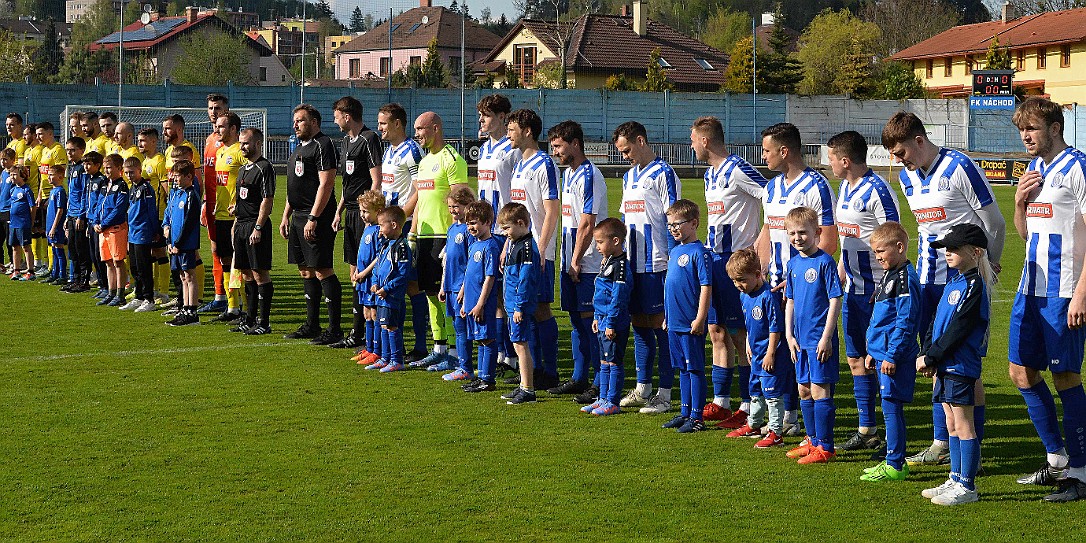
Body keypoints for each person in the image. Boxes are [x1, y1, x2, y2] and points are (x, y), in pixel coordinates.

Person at [881, 111, 1005, 467]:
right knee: (935, 359)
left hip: (965, 280)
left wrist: (989, 267)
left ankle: (972, 450)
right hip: (929, 281)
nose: (898, 160)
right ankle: (942, 441)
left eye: (902, 152)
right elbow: (923, 230)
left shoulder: (959, 167)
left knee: (965, 365)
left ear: (919, 141)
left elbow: (994, 222)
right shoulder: (908, 177)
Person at [1008, 97, 1086, 502]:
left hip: (1063, 291)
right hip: (1029, 289)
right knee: (1020, 372)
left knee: (1065, 377)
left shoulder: (1078, 167)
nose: (1026, 136)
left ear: (1055, 128)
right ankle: (1056, 460)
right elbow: (1026, 235)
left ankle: (1081, 472)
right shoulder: (1034, 170)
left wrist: (1081, 295)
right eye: (1022, 129)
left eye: (1033, 128)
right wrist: (1020, 204)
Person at [756, 122, 837, 435]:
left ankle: (804, 425)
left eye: (766, 150)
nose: (763, 156)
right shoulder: (772, 187)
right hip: (775, 284)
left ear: (784, 151)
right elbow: (767, 230)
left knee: (801, 351)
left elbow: (828, 239)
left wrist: (803, 280)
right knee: (778, 351)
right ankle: (787, 416)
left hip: (802, 288)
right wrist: (761, 272)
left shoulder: (816, 186)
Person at [827, 130, 901, 453]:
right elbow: (847, 240)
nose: (827, 163)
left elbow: (894, 237)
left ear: (845, 161)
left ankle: (890, 431)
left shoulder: (878, 191)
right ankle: (866, 428)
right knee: (855, 358)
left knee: (882, 361)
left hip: (875, 292)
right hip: (852, 290)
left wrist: (886, 287)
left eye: (830, 158)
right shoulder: (844, 188)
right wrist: (840, 276)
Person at [692, 115, 767, 428]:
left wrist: (759, 243)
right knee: (716, 331)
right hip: (715, 259)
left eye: (694, 140)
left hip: (736, 262)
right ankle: (721, 401)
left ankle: (749, 405)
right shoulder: (711, 175)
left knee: (741, 337)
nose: (692, 145)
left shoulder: (737, 168)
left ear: (706, 140)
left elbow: (771, 198)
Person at [917, 223, 994, 506]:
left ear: (975, 252)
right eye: (945, 249)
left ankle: (968, 486)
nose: (947, 253)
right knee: (950, 422)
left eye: (953, 249)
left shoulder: (974, 285)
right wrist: (926, 351)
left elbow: (960, 328)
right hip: (944, 365)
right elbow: (936, 324)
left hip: (960, 365)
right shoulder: (953, 282)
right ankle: (955, 477)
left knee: (964, 425)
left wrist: (933, 356)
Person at [614, 121, 679, 415]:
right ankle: (643, 388)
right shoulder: (628, 177)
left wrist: (674, 263)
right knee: (639, 324)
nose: (625, 156)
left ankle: (665, 393)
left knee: (661, 326)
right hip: (632, 264)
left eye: (627, 150)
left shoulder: (664, 173)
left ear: (641, 140)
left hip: (657, 263)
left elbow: (673, 219)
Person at [549, 120, 608, 398]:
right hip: (570, 261)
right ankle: (579, 376)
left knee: (589, 321)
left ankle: (599, 381)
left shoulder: (589, 175)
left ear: (575, 144)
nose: (556, 152)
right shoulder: (568, 175)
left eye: (559, 146)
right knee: (575, 320)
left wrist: (575, 260)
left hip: (588, 263)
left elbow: (587, 223)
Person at [860, 221, 920, 482]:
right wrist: (873, 351)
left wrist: (892, 355)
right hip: (883, 353)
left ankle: (895, 463)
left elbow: (905, 322)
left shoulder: (905, 279)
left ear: (900, 247)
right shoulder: (891, 275)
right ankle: (894, 461)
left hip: (894, 357)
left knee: (892, 409)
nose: (878, 257)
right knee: (888, 408)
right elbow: (882, 319)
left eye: (881, 252)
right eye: (875, 253)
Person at [783, 206, 843, 465]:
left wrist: (826, 337)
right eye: (793, 233)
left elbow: (835, 300)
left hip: (819, 340)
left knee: (820, 390)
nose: (798, 238)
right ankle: (812, 440)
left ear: (817, 232)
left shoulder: (825, 262)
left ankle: (826, 446)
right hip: (799, 340)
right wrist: (788, 334)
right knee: (803, 390)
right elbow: (791, 301)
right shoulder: (793, 263)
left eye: (803, 233)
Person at [506, 109, 561, 389]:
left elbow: (552, 211)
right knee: (524, 307)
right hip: (517, 248)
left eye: (512, 129)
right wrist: (507, 244)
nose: (508, 134)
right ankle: (534, 368)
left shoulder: (544, 164)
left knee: (540, 308)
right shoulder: (519, 164)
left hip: (538, 250)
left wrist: (540, 249)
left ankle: (549, 371)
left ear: (528, 131)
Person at [279, 104, 343, 345]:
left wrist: (314, 218)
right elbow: (293, 187)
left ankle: (334, 328)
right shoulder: (298, 149)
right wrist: (286, 215)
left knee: (322, 269)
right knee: (305, 270)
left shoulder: (323, 145)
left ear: (315, 122)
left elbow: (326, 185)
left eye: (301, 120)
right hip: (297, 217)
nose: (296, 125)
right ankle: (312, 324)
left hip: (316, 217)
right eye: (295, 121)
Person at [410, 111, 466, 367]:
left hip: (444, 236)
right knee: (430, 293)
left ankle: (455, 353)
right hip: (424, 235)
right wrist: (412, 232)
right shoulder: (423, 162)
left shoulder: (452, 159)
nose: (417, 134)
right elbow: (420, 201)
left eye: (420, 129)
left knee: (446, 295)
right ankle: (439, 347)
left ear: (435, 128)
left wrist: (457, 236)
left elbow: (461, 201)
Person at [376, 103, 429, 362]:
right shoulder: (389, 152)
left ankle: (421, 346)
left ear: (398, 124)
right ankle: (395, 344)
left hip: (404, 226)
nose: (380, 128)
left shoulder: (412, 150)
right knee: (395, 284)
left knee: (412, 285)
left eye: (384, 123)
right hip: (390, 228)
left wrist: (401, 219)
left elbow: (420, 190)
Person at [726, 247, 794, 448]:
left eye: (742, 280)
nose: (738, 285)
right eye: (734, 281)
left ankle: (776, 432)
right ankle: (754, 424)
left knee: (772, 395)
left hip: (770, 355)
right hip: (755, 354)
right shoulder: (744, 295)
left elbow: (775, 329)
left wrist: (771, 353)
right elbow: (749, 324)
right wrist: (748, 342)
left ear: (757, 275)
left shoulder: (768, 296)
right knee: (755, 390)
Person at [476, 94, 521, 380]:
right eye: (481, 115)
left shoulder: (512, 150)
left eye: (488, 115)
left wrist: (509, 234)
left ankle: (515, 357)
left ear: (504, 118)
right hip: (485, 232)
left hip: (503, 232)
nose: (482, 120)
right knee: (493, 297)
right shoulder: (483, 150)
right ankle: (504, 353)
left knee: (506, 297)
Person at [660, 199, 713, 433]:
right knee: (681, 367)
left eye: (677, 224)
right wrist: (666, 317)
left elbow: (705, 286)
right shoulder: (675, 251)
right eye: (670, 224)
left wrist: (701, 317)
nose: (673, 229)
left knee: (694, 368)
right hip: (674, 321)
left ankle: (697, 416)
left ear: (693, 223)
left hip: (690, 322)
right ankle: (684, 412)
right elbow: (670, 287)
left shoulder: (699, 253)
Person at [581, 218, 632, 415]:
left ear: (616, 241)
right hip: (602, 320)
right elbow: (600, 293)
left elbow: (617, 298)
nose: (597, 246)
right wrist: (597, 316)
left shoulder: (620, 267)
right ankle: (602, 398)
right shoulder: (608, 262)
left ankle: (613, 401)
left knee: (613, 361)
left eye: (600, 242)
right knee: (603, 362)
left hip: (613, 322)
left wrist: (610, 322)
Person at [331, 96, 382, 282]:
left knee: (366, 261)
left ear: (347, 117)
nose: (335, 121)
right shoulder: (345, 142)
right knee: (352, 262)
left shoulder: (369, 139)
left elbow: (377, 180)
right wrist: (338, 212)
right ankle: (358, 308)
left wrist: (370, 213)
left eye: (336, 117)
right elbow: (348, 183)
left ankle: (369, 308)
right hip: (350, 212)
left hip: (364, 213)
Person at [231, 128, 276, 336]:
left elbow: (267, 200)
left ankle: (264, 322)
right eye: (241, 143)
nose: (242, 147)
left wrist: (258, 226)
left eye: (246, 143)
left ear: (258, 144)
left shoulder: (264, 167)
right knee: (246, 273)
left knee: (259, 273)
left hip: (255, 227)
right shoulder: (243, 169)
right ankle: (249, 318)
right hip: (241, 225)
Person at [459, 200, 504, 393]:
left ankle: (488, 379)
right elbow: (470, 274)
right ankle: (481, 376)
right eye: (469, 223)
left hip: (482, 303)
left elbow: (489, 277)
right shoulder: (474, 245)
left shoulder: (491, 246)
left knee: (487, 339)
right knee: (479, 339)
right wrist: (463, 297)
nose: (471, 227)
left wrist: (479, 304)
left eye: (475, 223)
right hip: (471, 302)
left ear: (488, 223)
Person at [499, 202, 541, 405]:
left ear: (521, 223)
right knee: (518, 344)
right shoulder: (517, 243)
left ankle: (528, 389)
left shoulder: (526, 248)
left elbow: (525, 280)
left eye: (507, 228)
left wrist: (519, 307)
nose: (504, 232)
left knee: (521, 345)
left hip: (518, 306)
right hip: (512, 304)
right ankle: (524, 384)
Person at [210, 112, 246, 323]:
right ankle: (231, 306)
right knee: (224, 259)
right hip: (221, 215)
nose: (217, 130)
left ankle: (243, 306)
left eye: (222, 126)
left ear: (233, 129)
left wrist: (241, 205)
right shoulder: (221, 152)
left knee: (238, 262)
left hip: (237, 217)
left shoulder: (240, 152)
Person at [438, 185, 476, 381]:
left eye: (457, 207)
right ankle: (463, 366)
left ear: (468, 206)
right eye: (451, 207)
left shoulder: (469, 231)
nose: (453, 210)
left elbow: (470, 262)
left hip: (461, 287)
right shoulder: (452, 229)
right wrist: (443, 285)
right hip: (450, 286)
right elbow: (447, 261)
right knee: (456, 325)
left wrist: (463, 288)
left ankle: (466, 368)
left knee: (462, 328)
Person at [368, 205, 412, 373]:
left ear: (393, 225)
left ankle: (396, 360)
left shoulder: (401, 247)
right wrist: (374, 283)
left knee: (391, 326)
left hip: (391, 296)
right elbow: (377, 267)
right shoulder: (385, 245)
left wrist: (387, 288)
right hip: (381, 294)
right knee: (383, 324)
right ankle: (385, 358)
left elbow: (402, 274)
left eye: (381, 225)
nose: (379, 229)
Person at [199, 93, 229, 315]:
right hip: (210, 204)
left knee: (229, 252)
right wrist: (204, 201)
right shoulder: (209, 140)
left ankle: (233, 300)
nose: (213, 111)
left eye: (217, 108)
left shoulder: (233, 142)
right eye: (210, 108)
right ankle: (219, 295)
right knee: (215, 249)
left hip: (227, 206)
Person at [163, 160, 203, 326]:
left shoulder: (191, 195)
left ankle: (192, 311)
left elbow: (189, 222)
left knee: (189, 274)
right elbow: (168, 214)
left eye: (179, 176)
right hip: (174, 243)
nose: (175, 179)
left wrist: (178, 242)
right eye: (174, 175)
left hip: (186, 243)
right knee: (181, 275)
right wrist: (166, 229)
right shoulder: (175, 193)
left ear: (189, 177)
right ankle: (185, 308)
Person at [122, 156, 161, 312]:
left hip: (143, 231)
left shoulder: (146, 188)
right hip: (132, 231)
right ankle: (138, 296)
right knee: (135, 267)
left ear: (139, 170)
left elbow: (151, 211)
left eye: (132, 172)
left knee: (144, 267)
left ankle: (149, 298)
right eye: (127, 173)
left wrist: (154, 230)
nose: (129, 176)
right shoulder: (132, 188)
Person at [350, 191, 385, 363]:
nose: (362, 215)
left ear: (378, 211)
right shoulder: (368, 228)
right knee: (366, 313)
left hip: (372, 279)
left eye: (366, 211)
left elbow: (379, 256)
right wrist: (357, 269)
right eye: (361, 211)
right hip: (362, 278)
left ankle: (376, 351)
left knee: (373, 313)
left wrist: (364, 272)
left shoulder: (379, 230)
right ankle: (369, 348)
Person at [138, 127, 170, 304]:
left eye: (143, 141)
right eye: (139, 140)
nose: (140, 144)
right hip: (146, 215)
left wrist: (167, 214)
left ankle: (164, 292)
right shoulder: (144, 162)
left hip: (158, 213)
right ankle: (154, 289)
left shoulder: (159, 161)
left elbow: (166, 189)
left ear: (153, 141)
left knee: (159, 251)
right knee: (150, 252)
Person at [94, 153, 129, 307]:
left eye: (110, 168)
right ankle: (111, 292)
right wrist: (95, 221)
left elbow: (119, 209)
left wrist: (104, 223)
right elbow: (98, 204)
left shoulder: (121, 186)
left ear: (119, 168)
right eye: (105, 167)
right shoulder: (104, 184)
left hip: (115, 229)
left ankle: (120, 294)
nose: (107, 171)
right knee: (108, 262)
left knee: (118, 261)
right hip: (103, 230)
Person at [60, 137, 90, 293]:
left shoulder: (83, 169)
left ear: (81, 150)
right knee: (72, 249)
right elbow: (71, 193)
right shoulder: (72, 168)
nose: (69, 153)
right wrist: (67, 217)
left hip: (79, 215)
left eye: (72, 150)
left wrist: (81, 215)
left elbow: (85, 193)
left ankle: (84, 282)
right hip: (71, 214)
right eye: (67, 150)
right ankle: (75, 279)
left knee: (81, 250)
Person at [83, 151, 108, 298]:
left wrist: (98, 220)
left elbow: (101, 203)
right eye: (85, 163)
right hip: (91, 222)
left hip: (98, 223)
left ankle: (107, 286)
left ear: (97, 165)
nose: (86, 166)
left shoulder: (101, 180)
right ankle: (102, 285)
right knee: (93, 255)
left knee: (100, 256)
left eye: (89, 164)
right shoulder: (89, 180)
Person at [6, 165, 34, 279]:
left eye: (14, 174)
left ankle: (30, 271)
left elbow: (32, 207)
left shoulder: (26, 190)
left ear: (22, 176)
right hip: (13, 223)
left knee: (26, 247)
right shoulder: (13, 189)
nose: (12, 177)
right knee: (15, 247)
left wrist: (31, 221)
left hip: (23, 223)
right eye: (11, 174)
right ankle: (16, 270)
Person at [43, 165, 68, 285]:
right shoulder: (53, 191)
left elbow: (60, 210)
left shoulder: (60, 191)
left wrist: (53, 227)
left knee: (59, 249)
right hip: (50, 225)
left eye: (51, 175)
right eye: (48, 175)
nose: (49, 177)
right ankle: (54, 273)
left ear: (60, 176)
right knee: (54, 249)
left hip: (56, 226)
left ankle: (62, 275)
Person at [0, 149, 15, 274]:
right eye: (1, 159)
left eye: (5, 159)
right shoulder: (3, 174)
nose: (3, 162)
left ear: (12, 160)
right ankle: (1, 263)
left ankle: (13, 262)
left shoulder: (13, 174)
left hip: (9, 210)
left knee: (10, 239)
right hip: (0, 208)